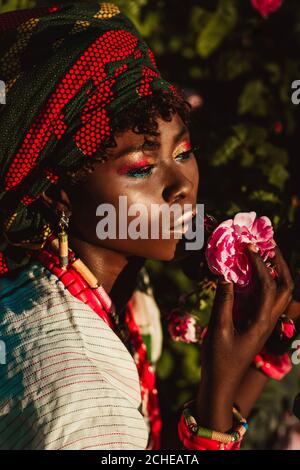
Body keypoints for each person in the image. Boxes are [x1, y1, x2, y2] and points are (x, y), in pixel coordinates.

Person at [0, 1, 297, 450]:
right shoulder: (81, 395)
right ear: (57, 189)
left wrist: (261, 360)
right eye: (140, 169)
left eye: (182, 153)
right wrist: (216, 392)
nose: (180, 185)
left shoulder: (117, 297)